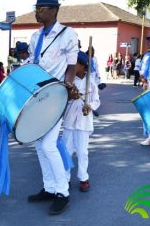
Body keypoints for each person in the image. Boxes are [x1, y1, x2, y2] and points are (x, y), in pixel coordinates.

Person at [26, 0, 79, 215]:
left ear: (54, 10)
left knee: (48, 145)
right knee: (39, 145)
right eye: (36, 7)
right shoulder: (35, 37)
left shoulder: (68, 34)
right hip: (38, 97)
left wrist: (67, 86)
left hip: (56, 97)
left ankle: (62, 192)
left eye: (41, 8)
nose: (37, 12)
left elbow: (71, 68)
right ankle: (49, 188)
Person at [62, 51, 100, 193]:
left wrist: (89, 107)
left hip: (84, 122)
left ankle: (83, 178)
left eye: (75, 63)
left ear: (83, 66)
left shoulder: (92, 83)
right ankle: (64, 178)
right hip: (69, 121)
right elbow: (62, 101)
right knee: (66, 151)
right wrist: (71, 95)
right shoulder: (68, 81)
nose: (72, 65)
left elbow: (97, 100)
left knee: (82, 152)